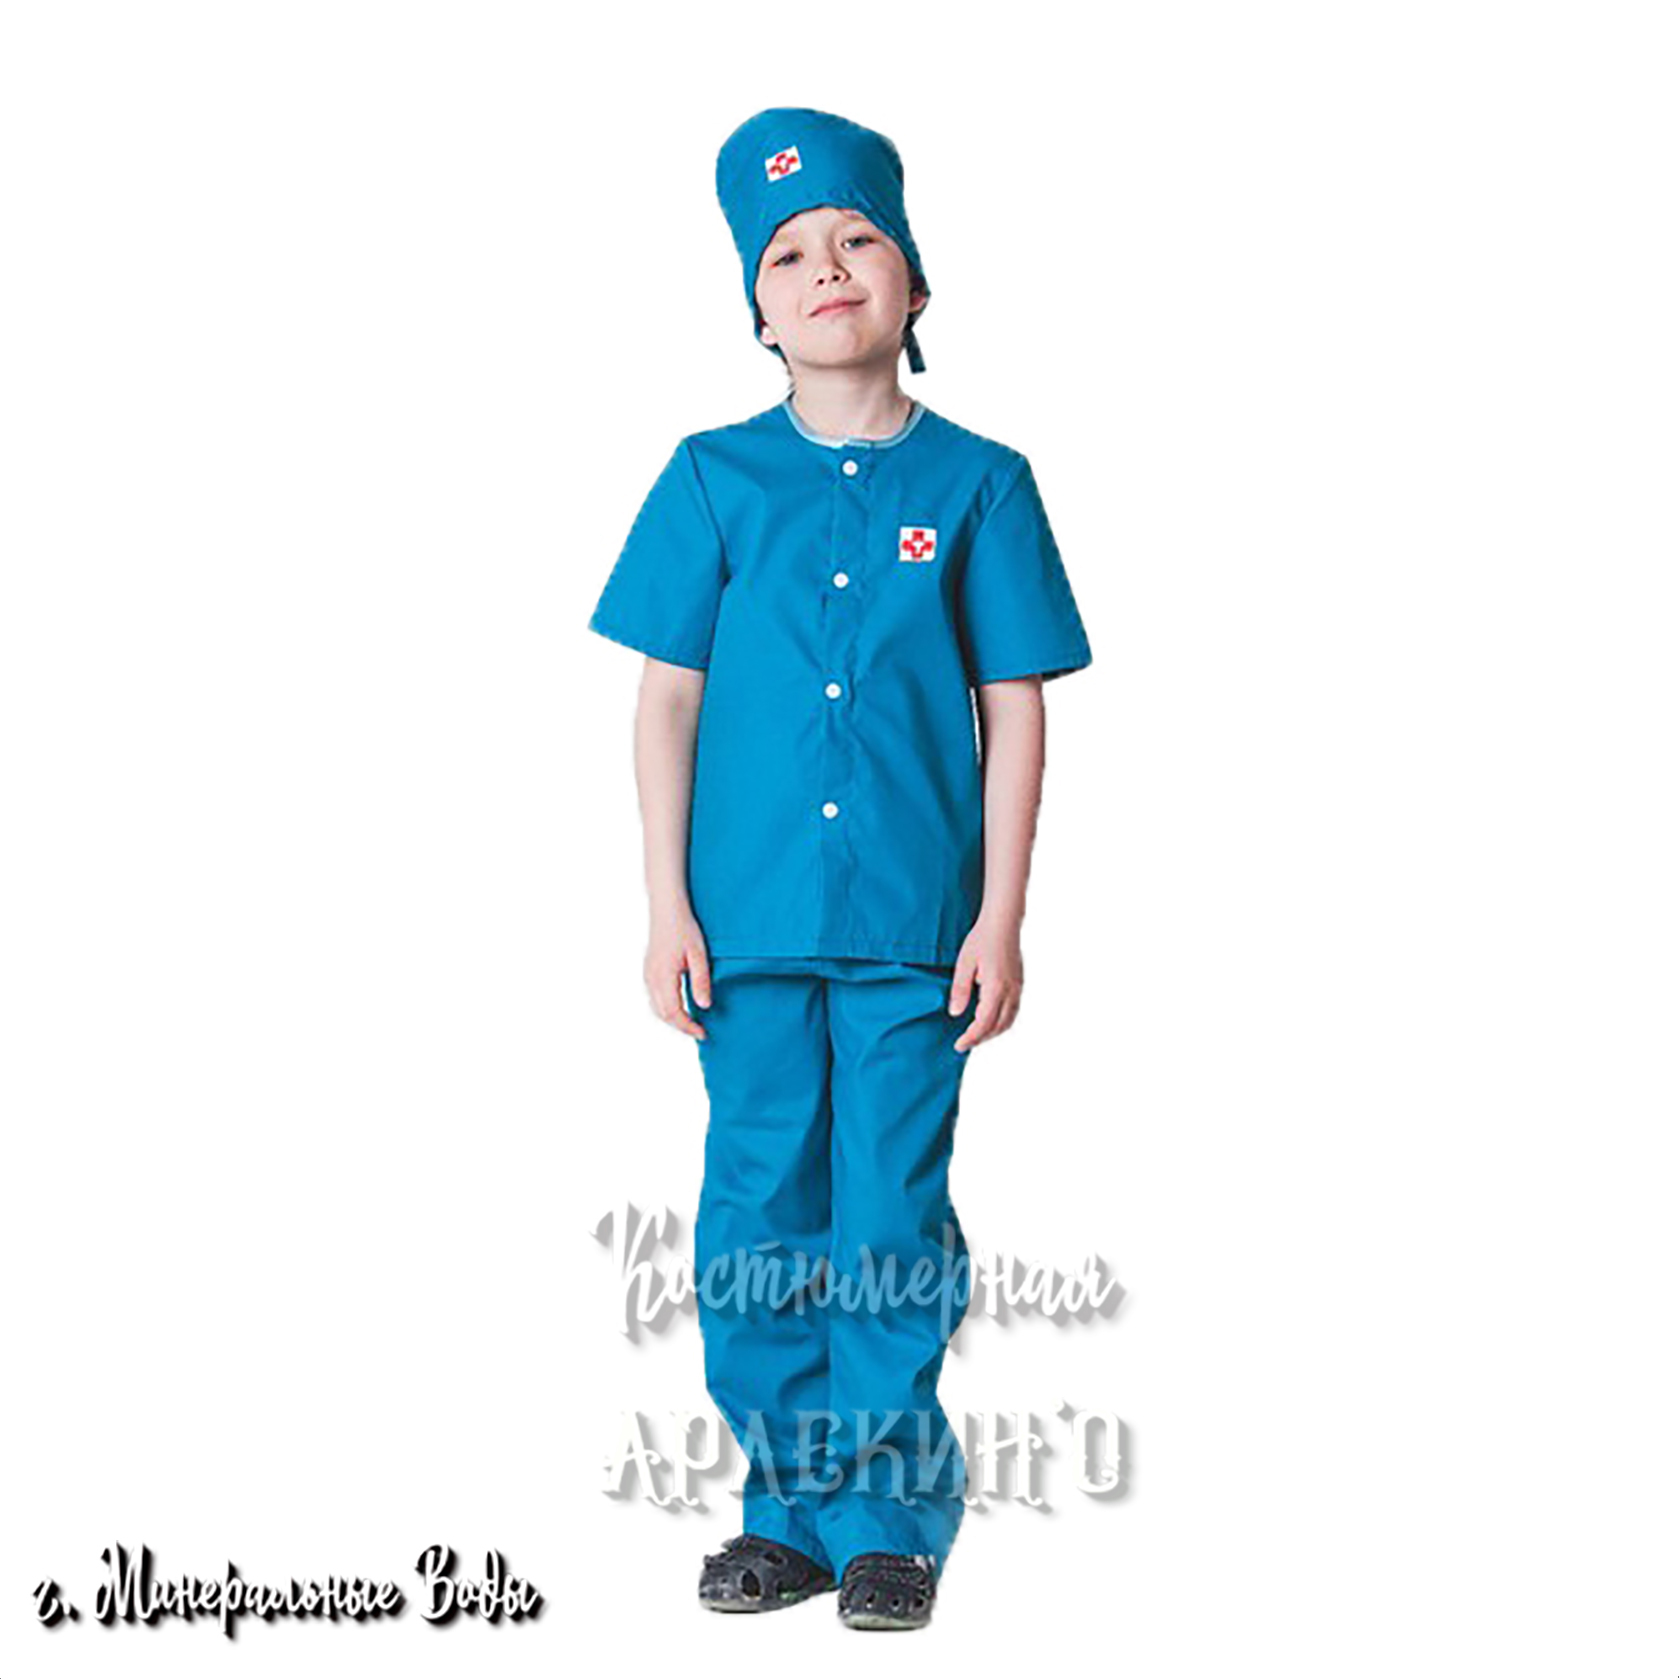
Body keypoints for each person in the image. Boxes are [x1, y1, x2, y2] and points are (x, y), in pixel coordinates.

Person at [587, 106, 1093, 1631]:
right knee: (755, 1212)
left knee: (888, 1220)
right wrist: (666, 905)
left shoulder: (983, 484)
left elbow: (1015, 711)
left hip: (912, 931)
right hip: (742, 928)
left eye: (858, 238)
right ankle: (785, 1515)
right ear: (757, 308)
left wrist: (1000, 919)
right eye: (788, 254)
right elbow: (666, 704)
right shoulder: (711, 479)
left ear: (915, 283)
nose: (826, 268)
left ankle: (884, 1521)